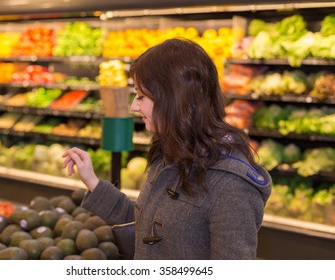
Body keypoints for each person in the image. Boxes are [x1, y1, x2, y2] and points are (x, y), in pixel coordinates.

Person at [62, 38, 272, 260]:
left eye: (142, 96)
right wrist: (92, 182)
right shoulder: (169, 153)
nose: (134, 106)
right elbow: (146, 224)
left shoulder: (232, 186)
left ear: (174, 98)